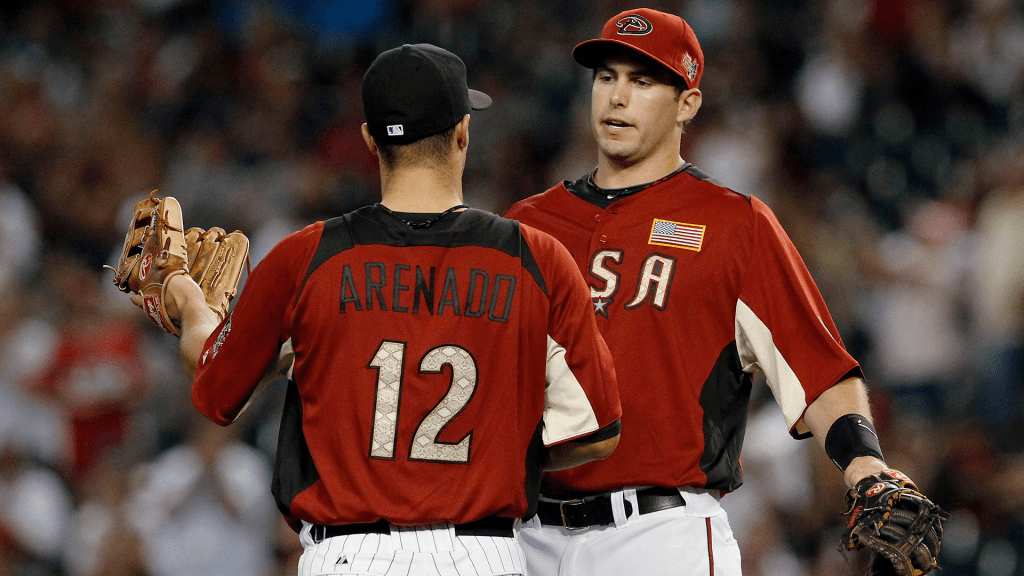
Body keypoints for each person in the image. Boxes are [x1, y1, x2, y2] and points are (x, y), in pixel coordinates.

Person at [145, 43, 622, 576]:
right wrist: (500, 451)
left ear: (370, 139)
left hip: (349, 555)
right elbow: (596, 432)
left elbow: (215, 385)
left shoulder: (306, 258)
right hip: (481, 554)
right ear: (463, 132)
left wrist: (186, 297)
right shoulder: (537, 260)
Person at [503, 9, 909, 576]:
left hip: (658, 535)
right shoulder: (527, 223)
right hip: (528, 536)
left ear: (687, 105)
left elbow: (816, 367)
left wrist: (863, 460)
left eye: (642, 81)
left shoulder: (734, 225)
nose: (617, 97)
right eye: (606, 77)